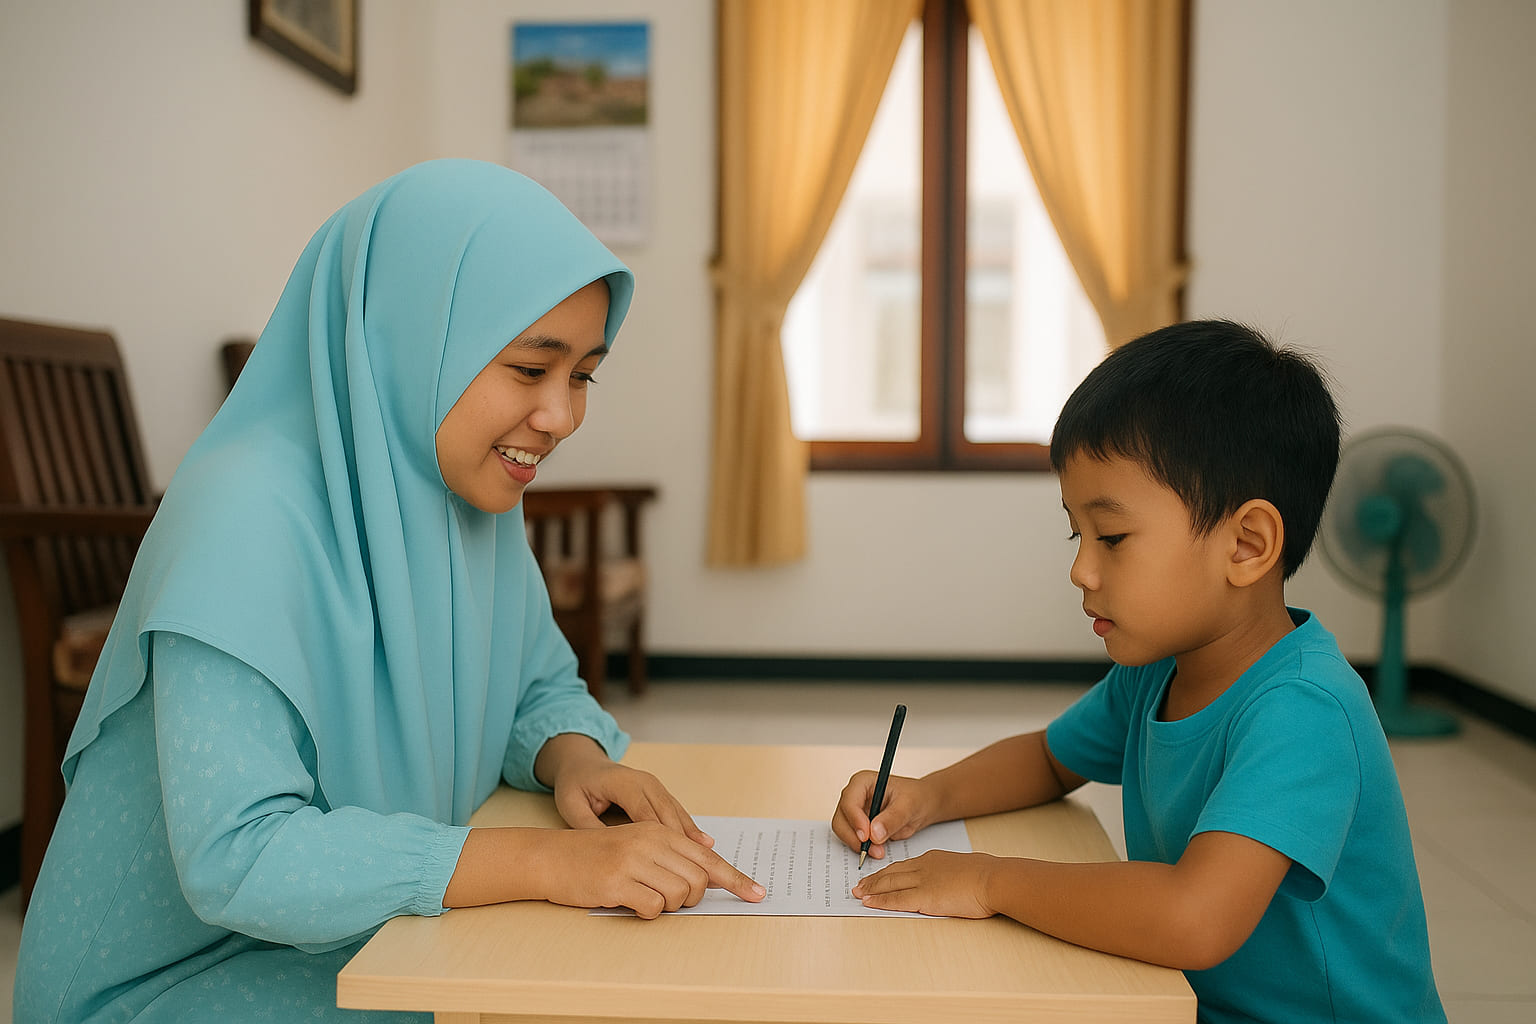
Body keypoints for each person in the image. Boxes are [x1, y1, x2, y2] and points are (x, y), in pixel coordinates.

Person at [14, 159, 763, 1024]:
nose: (561, 417)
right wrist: (546, 864)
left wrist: (579, 762)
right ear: (410, 339)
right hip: (171, 984)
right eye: (529, 369)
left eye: (583, 375)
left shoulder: (460, 490)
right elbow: (243, 855)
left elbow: (536, 686)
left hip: (356, 933)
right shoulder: (242, 518)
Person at [832, 320, 1445, 1023]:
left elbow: (1194, 918)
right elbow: (1049, 759)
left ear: (1247, 544)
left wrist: (989, 880)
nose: (1080, 569)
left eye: (1113, 537)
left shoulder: (1303, 710)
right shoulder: (1157, 672)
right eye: (1077, 534)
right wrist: (925, 796)